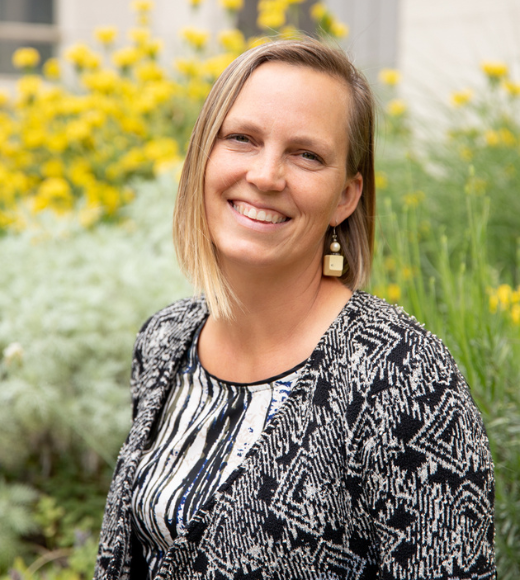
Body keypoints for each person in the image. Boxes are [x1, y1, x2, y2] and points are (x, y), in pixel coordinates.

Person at [94, 39, 496, 580]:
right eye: (241, 139)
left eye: (306, 155)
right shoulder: (166, 340)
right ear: (202, 155)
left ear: (345, 197)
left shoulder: (400, 376)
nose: (265, 175)